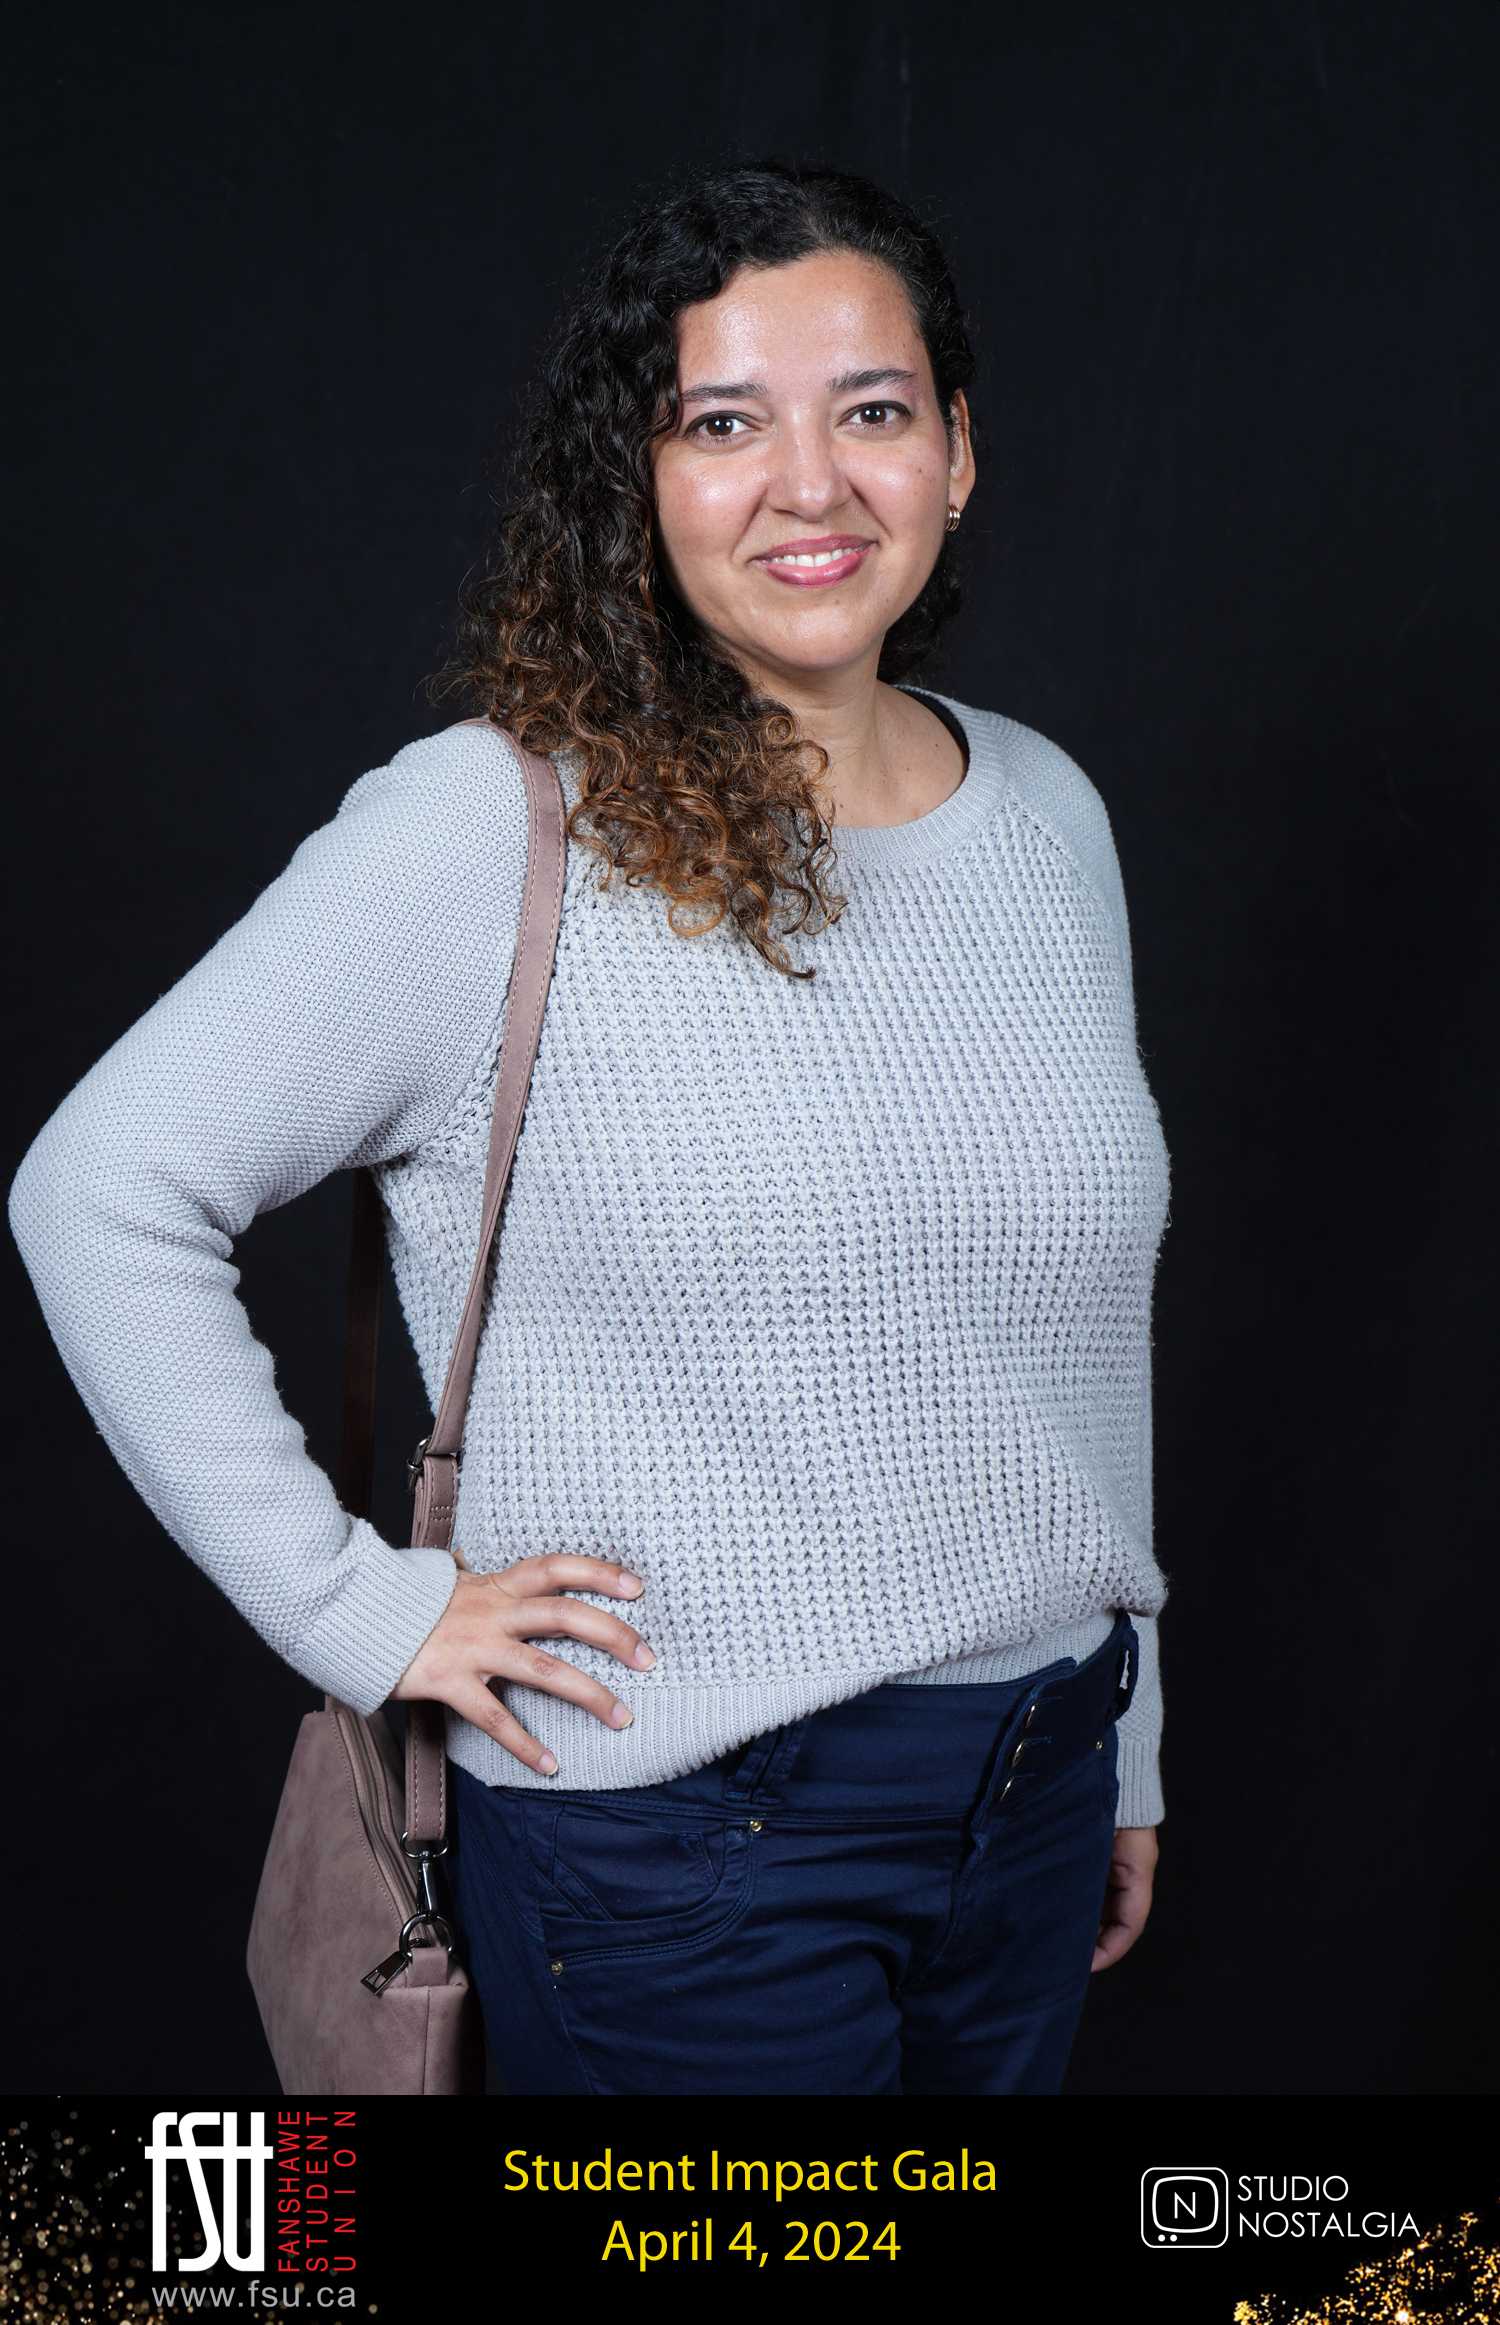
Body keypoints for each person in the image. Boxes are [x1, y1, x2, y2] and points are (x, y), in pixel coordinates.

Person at [10, 163, 1169, 2096]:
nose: (810, 483)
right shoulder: (496, 827)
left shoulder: (1048, 815)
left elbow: (1081, 1332)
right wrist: (355, 1609)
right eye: (723, 423)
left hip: (1038, 1790)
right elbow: (103, 1188)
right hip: (683, 1842)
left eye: (873, 409)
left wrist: (1126, 1744)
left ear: (959, 452)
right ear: (638, 477)